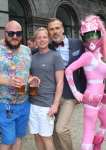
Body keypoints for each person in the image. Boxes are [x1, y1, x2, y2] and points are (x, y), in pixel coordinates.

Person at [0, 20, 39, 150]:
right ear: (5, 33)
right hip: (5, 104)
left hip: (24, 102)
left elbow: (26, 73)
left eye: (18, 33)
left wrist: (31, 79)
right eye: (11, 33)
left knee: (18, 137)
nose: (15, 36)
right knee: (8, 140)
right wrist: (8, 81)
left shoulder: (26, 50)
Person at [65, 15, 106, 150]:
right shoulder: (87, 55)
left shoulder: (100, 55)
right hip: (91, 98)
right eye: (87, 36)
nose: (91, 40)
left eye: (94, 35)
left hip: (99, 99)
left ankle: (97, 143)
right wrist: (76, 92)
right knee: (88, 132)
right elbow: (69, 70)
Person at [47, 18, 86, 150]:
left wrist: (83, 92)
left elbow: (85, 69)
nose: (55, 32)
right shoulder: (47, 46)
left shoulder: (78, 44)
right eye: (51, 29)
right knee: (53, 127)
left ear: (63, 29)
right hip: (52, 94)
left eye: (57, 28)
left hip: (70, 93)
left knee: (61, 128)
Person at [28, 27, 65, 150]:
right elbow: (28, 74)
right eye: (39, 37)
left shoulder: (55, 56)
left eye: (44, 37)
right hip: (32, 102)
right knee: (37, 136)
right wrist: (31, 76)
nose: (42, 40)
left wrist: (55, 105)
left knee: (45, 136)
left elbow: (60, 82)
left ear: (49, 39)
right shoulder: (32, 57)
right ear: (35, 40)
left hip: (46, 104)